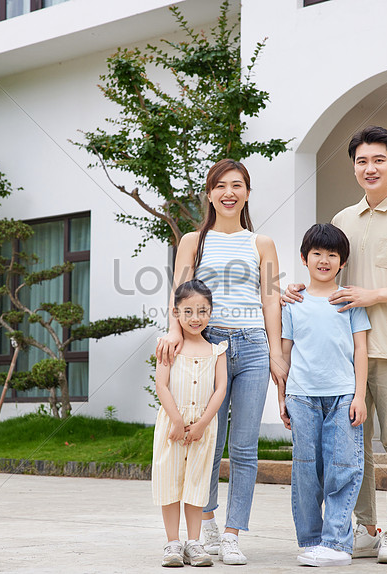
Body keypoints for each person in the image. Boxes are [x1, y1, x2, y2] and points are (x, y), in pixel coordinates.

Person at [284, 126, 387, 564]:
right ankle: (365, 528)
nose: (369, 168)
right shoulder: (342, 220)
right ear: (354, 166)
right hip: (341, 353)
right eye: (361, 161)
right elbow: (327, 272)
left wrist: (374, 296)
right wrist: (300, 291)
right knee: (353, 447)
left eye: (378, 160)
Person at [156, 159, 285, 565]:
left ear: (247, 193)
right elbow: (180, 292)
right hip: (207, 347)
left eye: (238, 185)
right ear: (209, 193)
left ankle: (232, 533)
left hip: (252, 347)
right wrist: (175, 332)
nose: (229, 192)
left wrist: (277, 353)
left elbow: (270, 298)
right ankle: (206, 522)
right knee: (206, 442)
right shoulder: (194, 240)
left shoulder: (261, 243)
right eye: (221, 186)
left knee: (244, 447)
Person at [278, 223, 371, 567]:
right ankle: (312, 541)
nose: (324, 260)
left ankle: (336, 543)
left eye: (332, 254)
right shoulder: (293, 303)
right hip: (301, 396)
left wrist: (359, 396)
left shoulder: (348, 301)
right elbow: (285, 353)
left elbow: (361, 350)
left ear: (342, 262)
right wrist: (281, 395)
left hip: (343, 395)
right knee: (305, 470)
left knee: (343, 467)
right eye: (317, 253)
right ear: (304, 258)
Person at [152, 279, 228, 567]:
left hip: (202, 430)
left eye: (202, 311)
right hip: (172, 428)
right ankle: (173, 542)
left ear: (210, 312)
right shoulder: (168, 347)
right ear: (176, 313)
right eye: (188, 312)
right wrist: (177, 420)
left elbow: (220, 390)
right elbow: (162, 385)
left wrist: (200, 425)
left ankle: (194, 543)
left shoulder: (216, 351)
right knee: (169, 483)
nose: (195, 318)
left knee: (196, 485)